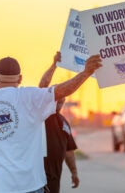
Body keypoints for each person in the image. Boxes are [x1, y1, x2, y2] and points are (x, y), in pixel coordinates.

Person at [0, 55, 102, 193]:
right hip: (31, 186)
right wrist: (86, 72)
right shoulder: (30, 97)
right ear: (20, 78)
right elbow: (62, 90)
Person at [39, 52, 79, 193]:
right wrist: (54, 65)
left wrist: (74, 172)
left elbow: (68, 151)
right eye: (57, 95)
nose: (60, 99)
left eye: (62, 97)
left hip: (54, 182)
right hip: (37, 181)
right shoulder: (42, 115)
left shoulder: (64, 122)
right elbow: (43, 87)